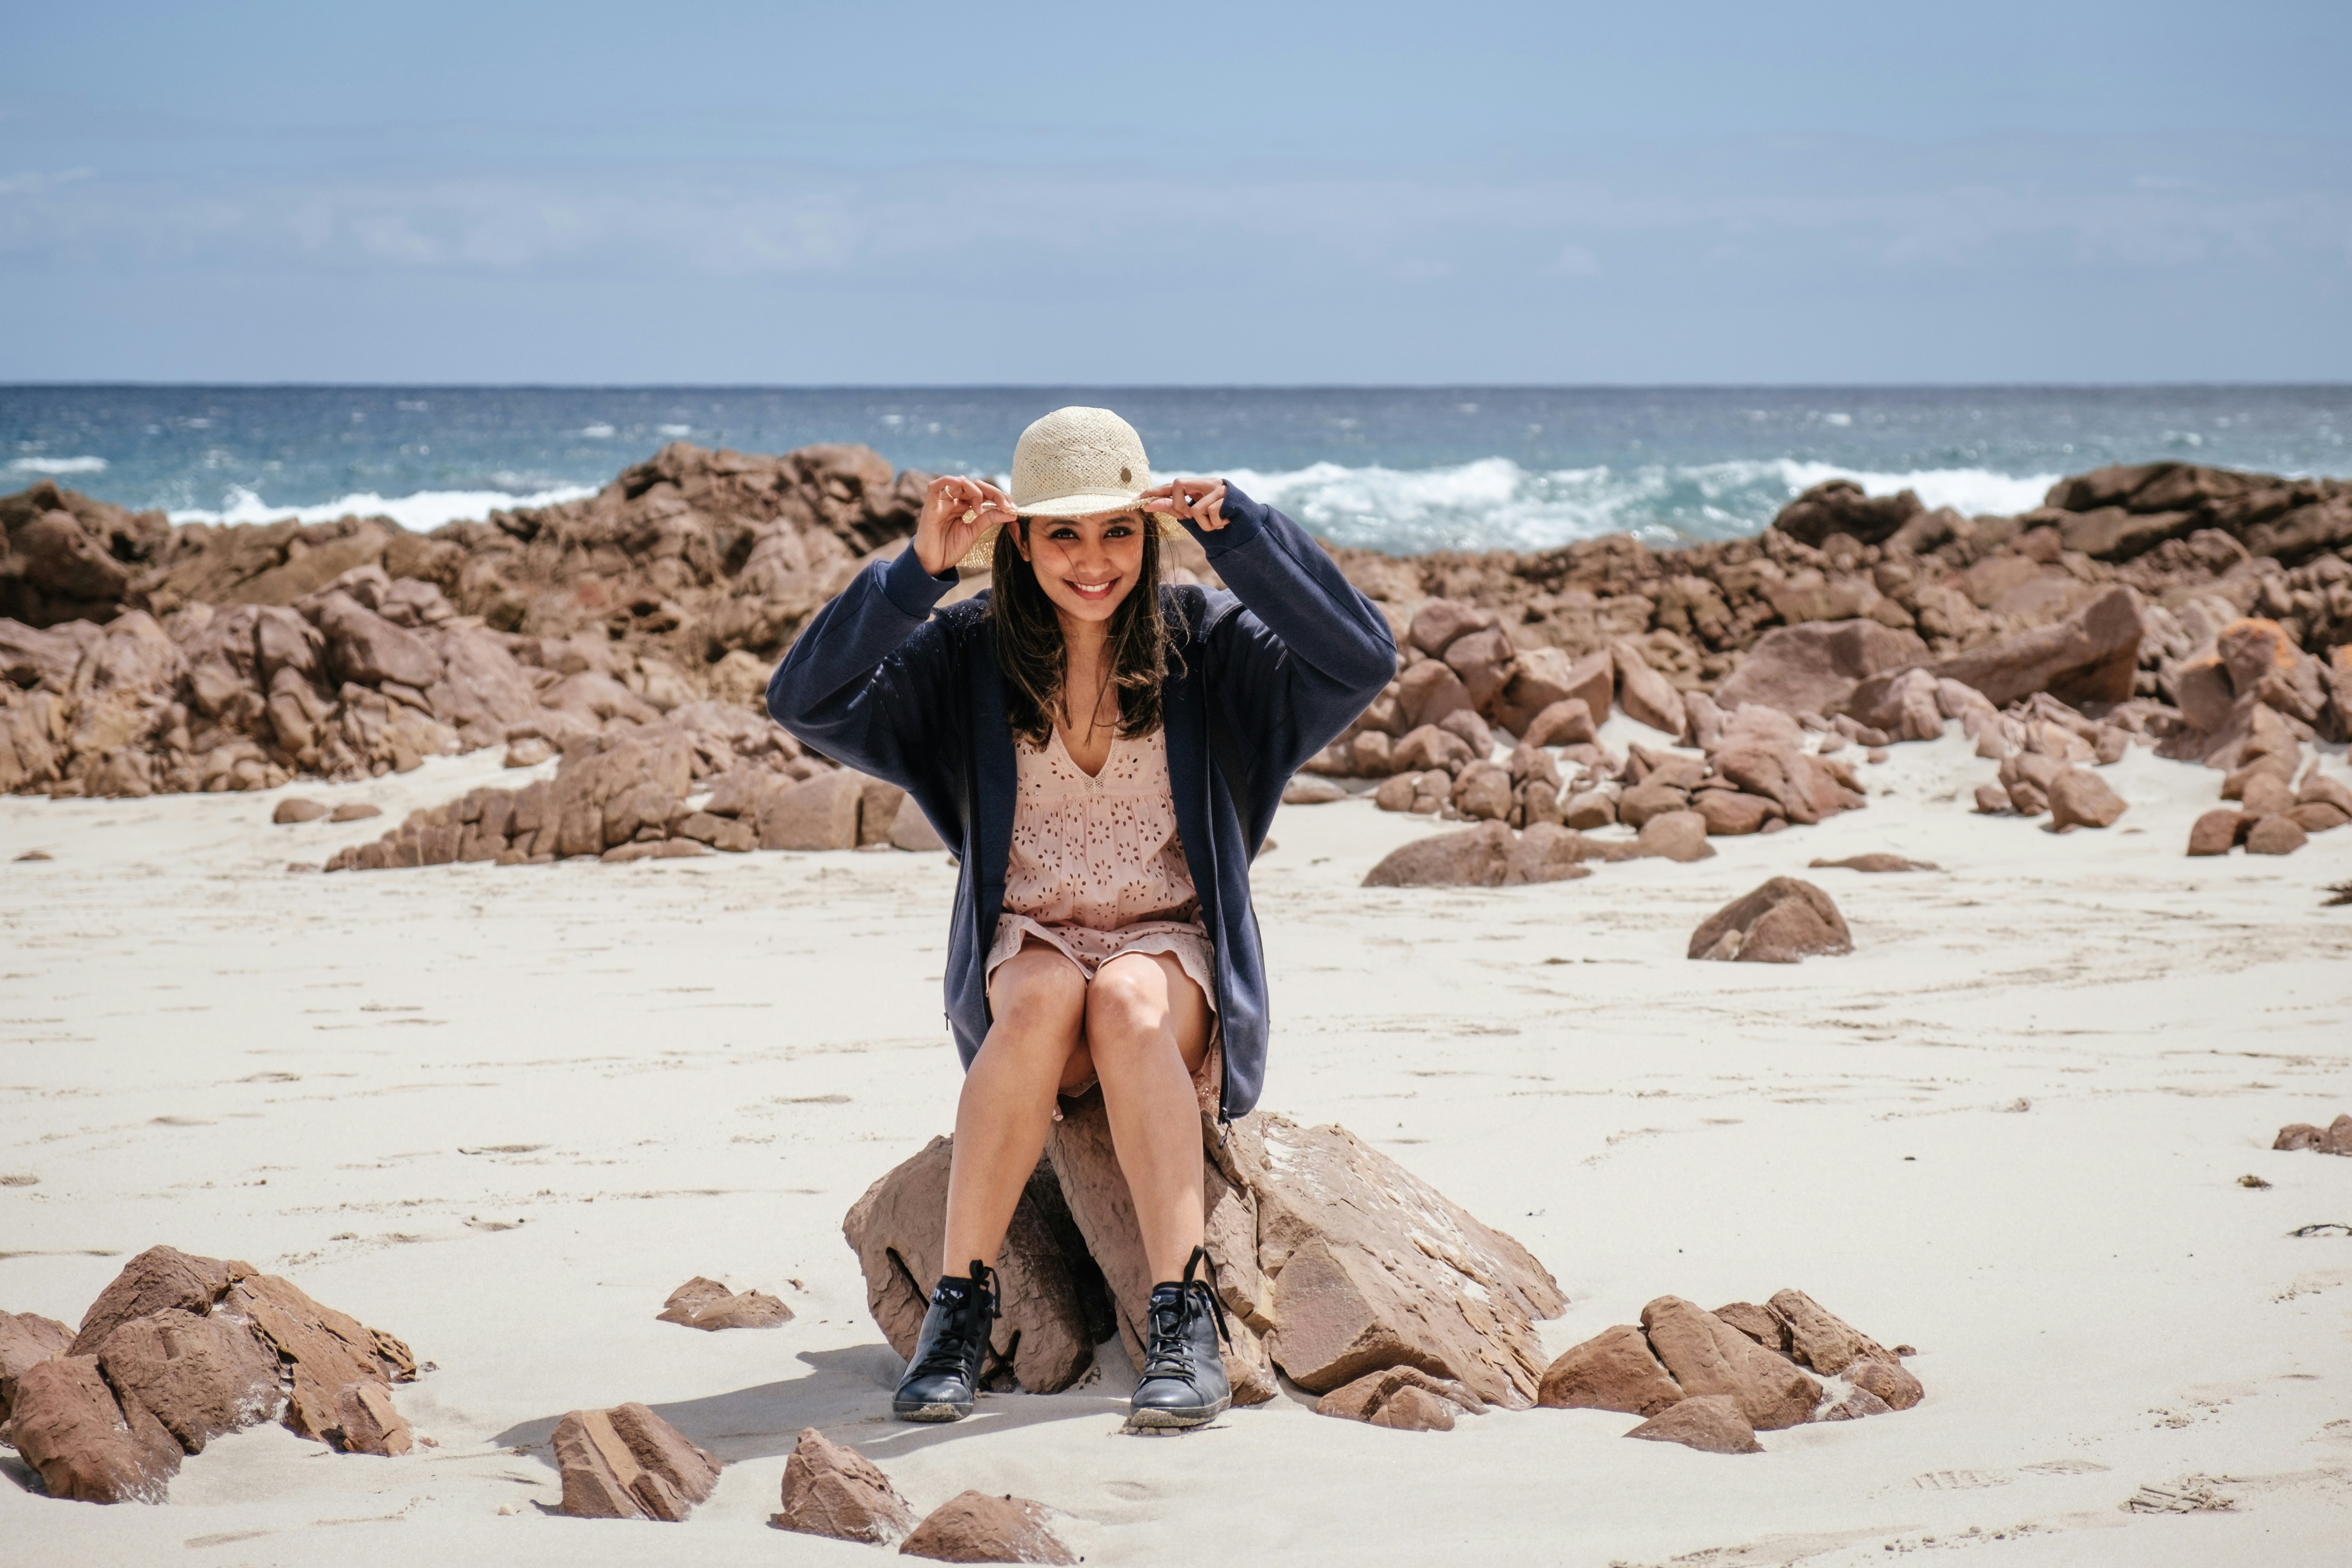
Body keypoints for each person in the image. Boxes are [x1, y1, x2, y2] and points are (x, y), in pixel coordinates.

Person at [767, 406, 1393, 1429]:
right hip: (1031, 954)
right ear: (1017, 540)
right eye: (1063, 533)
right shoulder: (964, 656)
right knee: (1055, 992)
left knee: (1129, 999)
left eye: (1117, 531)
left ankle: (1183, 1319)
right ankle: (959, 1318)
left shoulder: (1208, 645)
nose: (1093, 560)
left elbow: (1361, 659)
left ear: (1151, 534)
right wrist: (913, 577)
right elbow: (805, 700)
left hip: (1172, 955)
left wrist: (1246, 538)